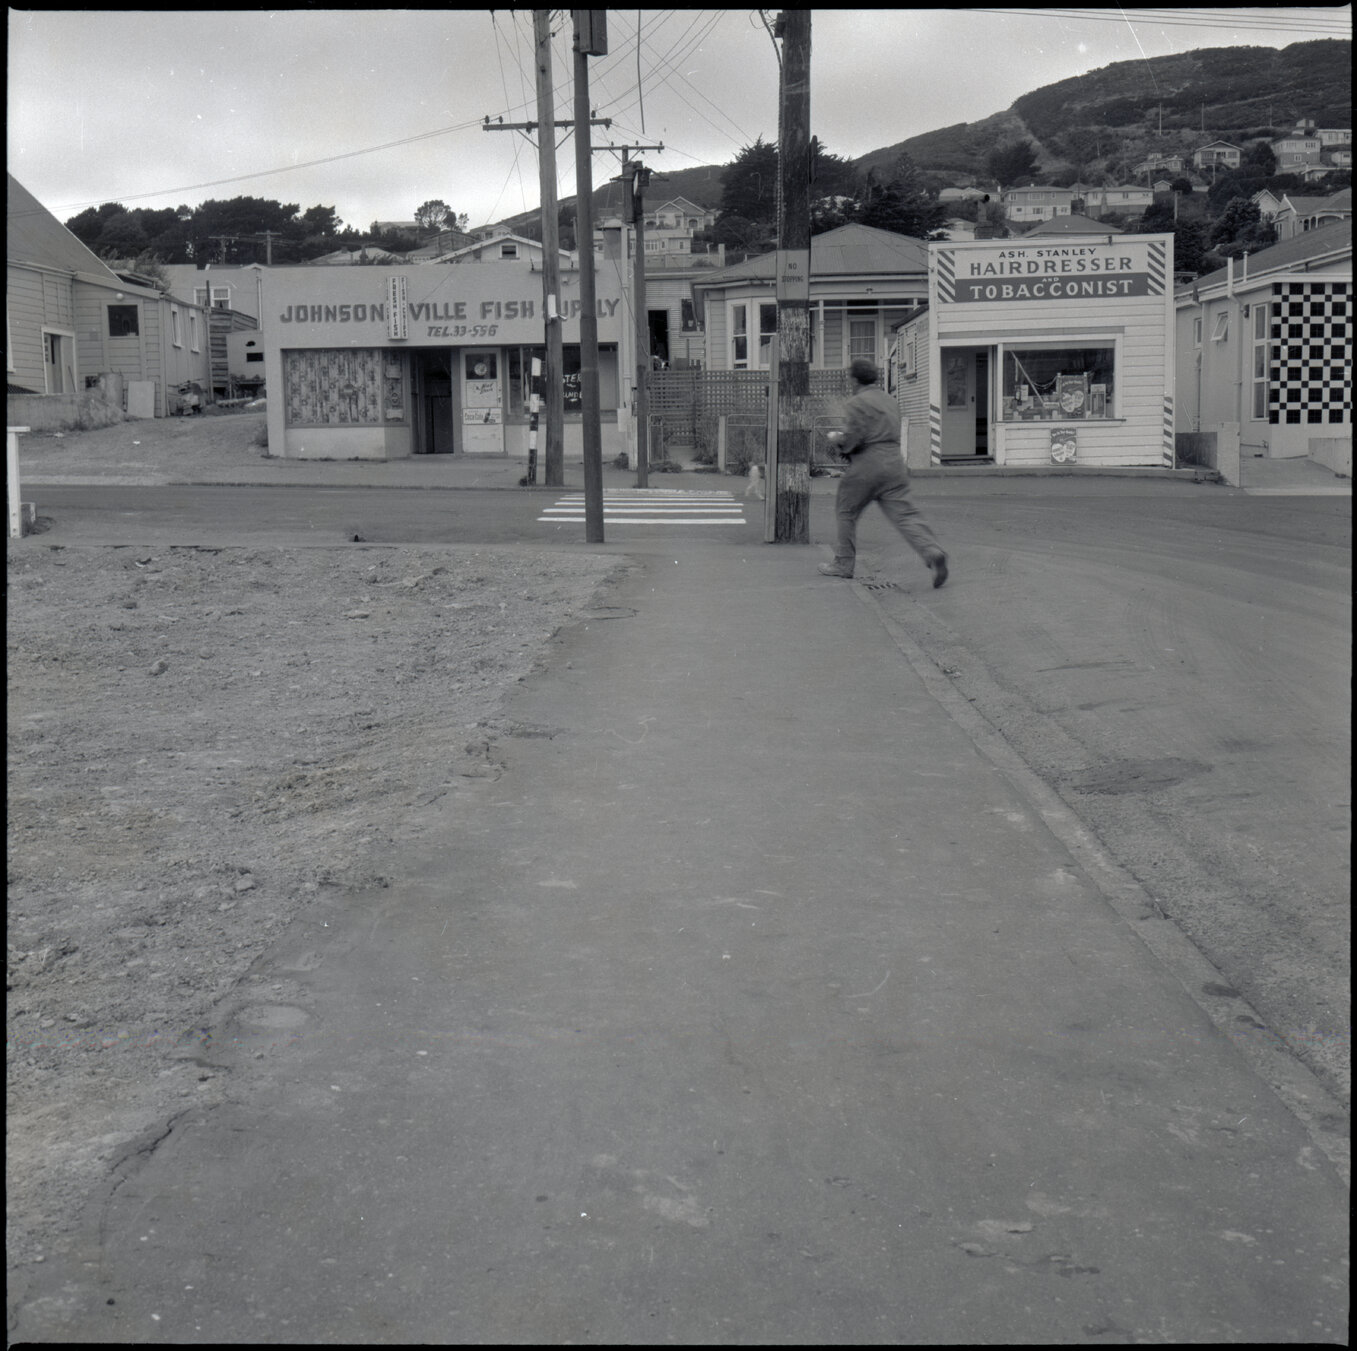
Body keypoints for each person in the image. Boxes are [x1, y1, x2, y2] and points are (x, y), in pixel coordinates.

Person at [818, 357, 948, 588]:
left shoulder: (856, 403)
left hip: (868, 464)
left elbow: (852, 440)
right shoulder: (890, 401)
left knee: (846, 510)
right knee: (905, 514)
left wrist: (837, 439)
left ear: (854, 379)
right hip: (894, 463)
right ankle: (932, 552)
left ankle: (843, 564)